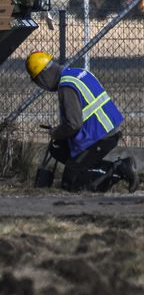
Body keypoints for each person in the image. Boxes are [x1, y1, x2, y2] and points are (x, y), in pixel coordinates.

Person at [26, 51, 138, 192]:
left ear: (43, 76)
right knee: (60, 151)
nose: (41, 86)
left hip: (100, 136)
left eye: (38, 81)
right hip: (105, 129)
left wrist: (56, 133)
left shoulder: (66, 87)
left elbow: (73, 124)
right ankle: (93, 171)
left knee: (71, 183)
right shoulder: (78, 73)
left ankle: (119, 169)